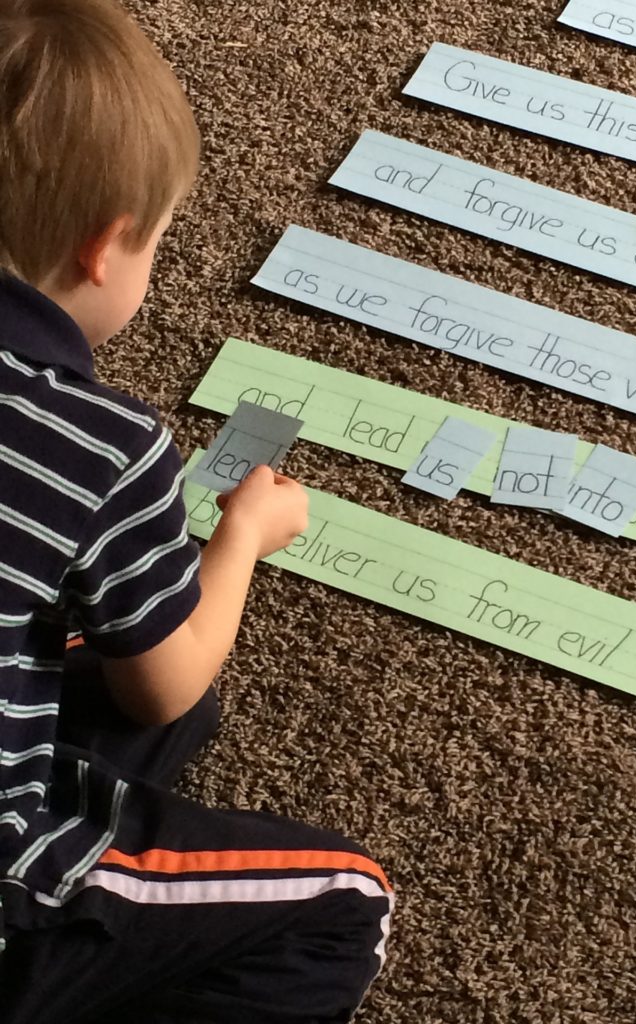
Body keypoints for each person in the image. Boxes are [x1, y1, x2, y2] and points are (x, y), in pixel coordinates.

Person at [0, 1, 393, 1021]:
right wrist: (242, 541)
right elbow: (162, 689)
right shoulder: (102, 441)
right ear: (107, 247)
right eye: (160, 243)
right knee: (344, 898)